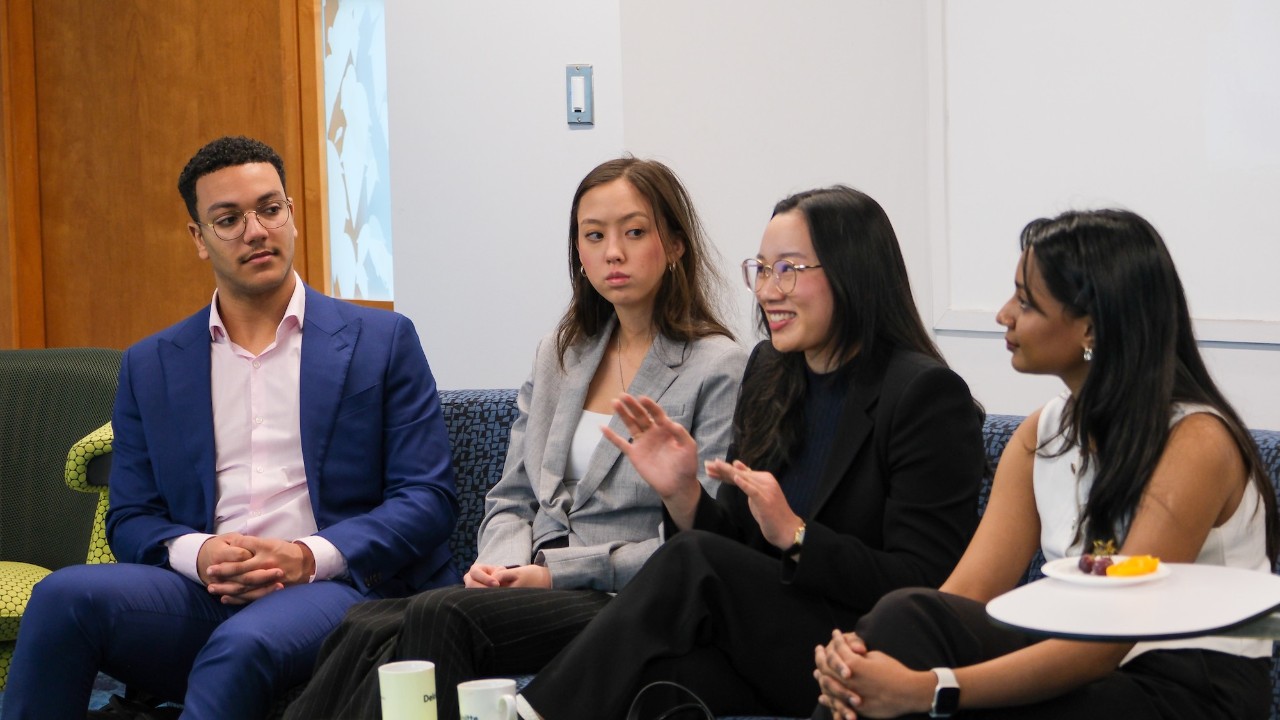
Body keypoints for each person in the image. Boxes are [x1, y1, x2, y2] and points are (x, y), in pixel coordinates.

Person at [1, 136, 460, 720]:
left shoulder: (381, 340)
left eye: (270, 209)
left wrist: (306, 556)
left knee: (240, 646)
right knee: (61, 596)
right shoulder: (152, 363)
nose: (256, 231)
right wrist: (201, 554)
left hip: (339, 589)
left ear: (291, 214)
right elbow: (131, 516)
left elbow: (427, 498)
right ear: (199, 238)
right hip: (203, 593)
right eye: (229, 219)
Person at [282, 157, 748, 720]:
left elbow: (706, 544)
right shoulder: (562, 353)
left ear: (673, 245)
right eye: (593, 236)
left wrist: (553, 575)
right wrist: (500, 567)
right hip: (535, 584)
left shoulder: (717, 366)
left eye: (634, 232)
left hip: (628, 601)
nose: (612, 253)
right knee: (366, 622)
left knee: (439, 613)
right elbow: (512, 495)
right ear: (578, 252)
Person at [514, 185, 988, 720]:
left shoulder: (924, 395)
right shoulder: (770, 371)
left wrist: (798, 536)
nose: (767, 290)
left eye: (788, 269)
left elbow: (927, 581)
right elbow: (737, 546)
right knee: (661, 683)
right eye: (761, 270)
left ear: (852, 273)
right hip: (772, 640)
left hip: (864, 649)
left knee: (693, 560)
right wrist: (684, 494)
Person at [813, 209, 1280, 720]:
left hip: (1188, 687)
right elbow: (964, 596)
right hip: (1081, 660)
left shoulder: (1196, 442)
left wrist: (930, 688)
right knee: (907, 616)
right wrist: (863, 656)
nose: (1003, 315)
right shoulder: (1042, 433)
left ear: (1091, 328)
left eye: (1026, 301)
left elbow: (1109, 642)